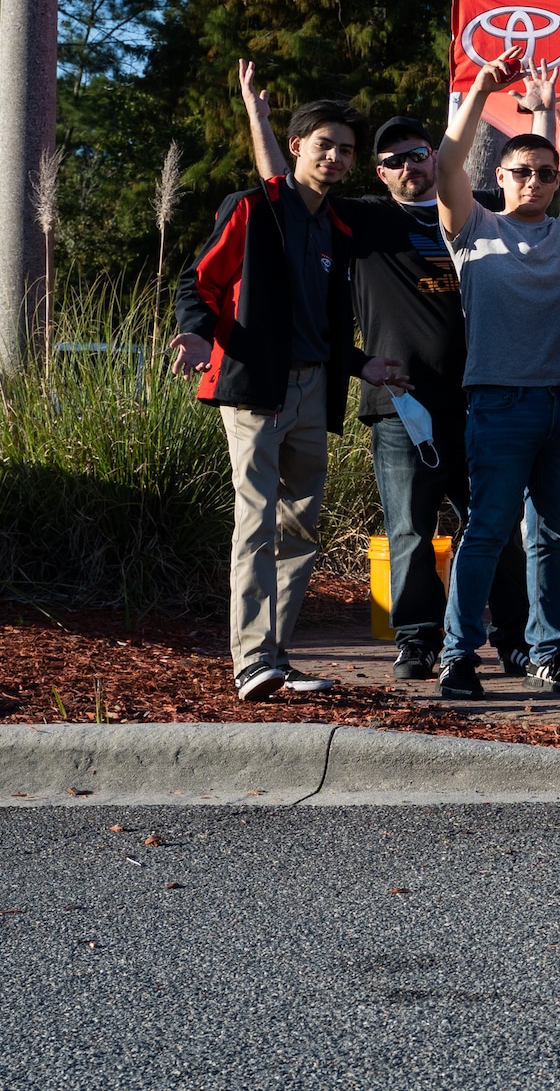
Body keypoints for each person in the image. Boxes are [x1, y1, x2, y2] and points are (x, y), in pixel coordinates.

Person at [234, 63, 533, 684]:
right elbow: (284, 193)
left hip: (480, 399)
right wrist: (259, 122)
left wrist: (503, 97)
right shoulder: (361, 219)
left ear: (436, 158)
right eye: (393, 161)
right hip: (400, 403)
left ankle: (514, 640)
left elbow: (520, 177)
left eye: (418, 154)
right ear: (378, 173)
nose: (408, 167)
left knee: (498, 526)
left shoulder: (473, 210)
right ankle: (418, 640)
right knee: (408, 532)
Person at [174, 95, 407, 700]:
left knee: (300, 529)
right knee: (256, 520)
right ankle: (251, 659)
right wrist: (196, 334)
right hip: (255, 387)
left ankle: (275, 657)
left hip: (314, 388)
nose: (335, 157)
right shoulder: (254, 208)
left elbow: (323, 323)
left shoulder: (339, 226)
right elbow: (198, 283)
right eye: (324, 144)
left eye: (346, 150)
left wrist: (361, 365)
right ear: (297, 147)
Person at [433, 54, 560, 700]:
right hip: (498, 406)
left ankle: (547, 654)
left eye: (547, 173)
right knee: (487, 531)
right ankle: (458, 656)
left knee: (550, 539)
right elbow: (445, 167)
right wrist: (480, 89)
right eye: (522, 171)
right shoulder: (472, 226)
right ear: (499, 176)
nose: (535, 181)